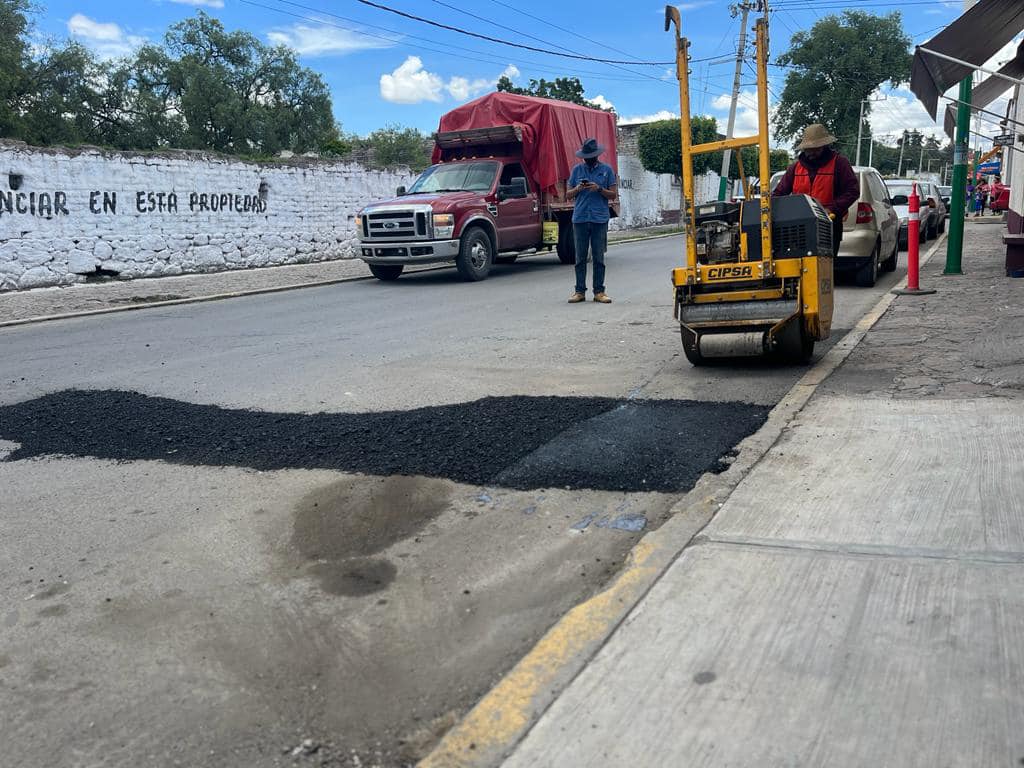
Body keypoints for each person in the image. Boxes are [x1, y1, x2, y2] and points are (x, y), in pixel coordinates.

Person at [771, 123, 859, 258]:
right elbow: (778, 193)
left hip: (829, 226)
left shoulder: (840, 163)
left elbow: (852, 191)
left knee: (826, 267)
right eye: (808, 149)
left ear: (824, 146)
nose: (811, 153)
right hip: (799, 228)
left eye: (815, 149)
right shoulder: (795, 168)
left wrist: (833, 209)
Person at [567, 138, 617, 304]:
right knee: (580, 257)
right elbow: (567, 194)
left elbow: (613, 194)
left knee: (598, 257)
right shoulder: (577, 170)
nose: (587, 159)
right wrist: (578, 188)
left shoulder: (606, 170)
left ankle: (599, 291)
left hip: (599, 218)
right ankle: (579, 291)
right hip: (580, 218)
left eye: (590, 156)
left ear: (596, 156)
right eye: (585, 156)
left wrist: (599, 188)